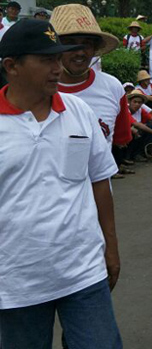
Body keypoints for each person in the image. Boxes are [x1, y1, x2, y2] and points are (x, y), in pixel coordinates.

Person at [0, 19, 122, 348]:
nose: (57, 68)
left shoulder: (78, 111)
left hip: (82, 272)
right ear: (12, 66)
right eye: (46, 60)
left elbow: (99, 180)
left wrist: (110, 247)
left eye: (58, 59)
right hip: (15, 283)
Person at [52, 4, 133, 179]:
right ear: (54, 47)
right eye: (70, 44)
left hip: (97, 197)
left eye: (87, 44)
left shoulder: (113, 88)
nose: (80, 52)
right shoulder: (34, 91)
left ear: (95, 48)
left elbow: (121, 138)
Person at [125, 89, 152, 162]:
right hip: (125, 131)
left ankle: (141, 152)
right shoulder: (126, 110)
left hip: (137, 130)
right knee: (135, 130)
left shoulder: (140, 110)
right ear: (129, 102)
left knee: (151, 125)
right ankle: (128, 156)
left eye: (139, 102)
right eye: (135, 102)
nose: (137, 104)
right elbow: (136, 124)